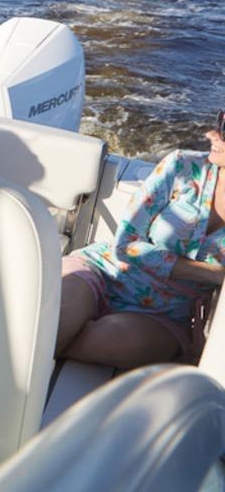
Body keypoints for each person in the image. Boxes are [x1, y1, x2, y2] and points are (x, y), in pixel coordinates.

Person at [57, 114, 225, 369]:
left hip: (166, 314)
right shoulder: (181, 165)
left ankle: (47, 344)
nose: (212, 134)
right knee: (57, 319)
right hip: (104, 268)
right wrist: (213, 273)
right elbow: (125, 245)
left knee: (113, 342)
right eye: (220, 121)